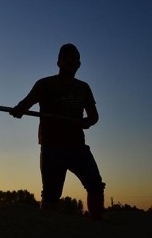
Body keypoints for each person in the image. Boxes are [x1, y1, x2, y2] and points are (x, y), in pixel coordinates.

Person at [9, 43, 106, 220]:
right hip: (52, 147)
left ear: (79, 64)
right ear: (58, 62)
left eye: (74, 58)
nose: (70, 61)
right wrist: (19, 109)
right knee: (51, 195)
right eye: (66, 58)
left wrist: (88, 121)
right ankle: (49, 233)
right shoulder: (45, 84)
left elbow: (94, 115)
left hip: (77, 146)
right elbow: (26, 102)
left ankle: (96, 224)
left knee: (95, 185)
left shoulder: (83, 88)